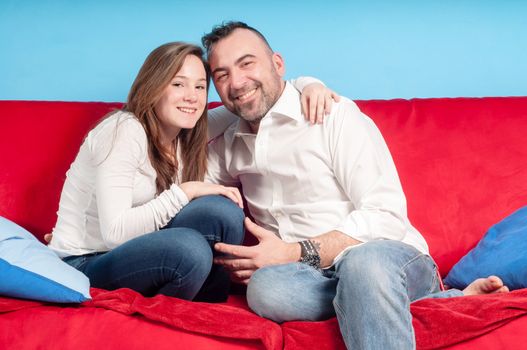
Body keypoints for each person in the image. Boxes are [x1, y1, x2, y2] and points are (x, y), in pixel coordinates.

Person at [200, 21, 509, 348]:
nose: (236, 82)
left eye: (247, 63)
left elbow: (385, 216)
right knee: (265, 289)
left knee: (363, 266)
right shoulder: (227, 144)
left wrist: (292, 251)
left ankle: (395, 291)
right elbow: (182, 164)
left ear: (278, 64)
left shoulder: (332, 114)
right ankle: (436, 301)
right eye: (222, 75)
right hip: (313, 276)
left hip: (387, 256)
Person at [48, 41, 338, 302]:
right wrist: (186, 191)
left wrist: (308, 84)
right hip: (86, 260)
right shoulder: (124, 129)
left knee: (221, 211)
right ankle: (176, 301)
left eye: (200, 87)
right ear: (153, 87)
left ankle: (208, 296)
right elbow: (114, 234)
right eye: (178, 84)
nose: (191, 97)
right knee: (189, 249)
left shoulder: (186, 131)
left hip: (142, 251)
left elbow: (255, 98)